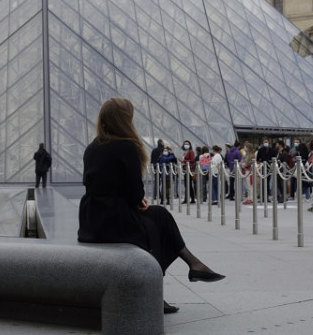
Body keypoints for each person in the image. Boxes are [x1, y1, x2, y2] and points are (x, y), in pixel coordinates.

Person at [77, 98, 224, 314]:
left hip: (92, 218)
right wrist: (139, 200)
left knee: (159, 216)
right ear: (124, 120)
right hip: (114, 219)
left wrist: (135, 200)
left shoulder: (92, 147)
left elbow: (97, 183)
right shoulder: (126, 146)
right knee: (156, 225)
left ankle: (193, 265)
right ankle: (170, 282)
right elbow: (134, 191)